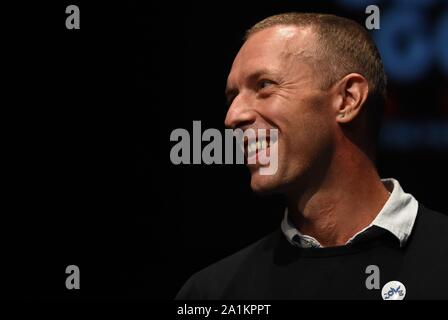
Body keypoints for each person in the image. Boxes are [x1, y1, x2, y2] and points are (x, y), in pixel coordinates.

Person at [175, 13, 448, 299]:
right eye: (233, 97)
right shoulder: (213, 293)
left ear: (347, 99)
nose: (233, 117)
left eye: (264, 85)